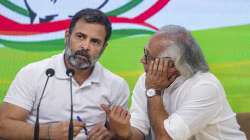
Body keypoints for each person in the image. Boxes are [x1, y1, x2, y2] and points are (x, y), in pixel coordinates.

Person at [0, 8, 130, 140]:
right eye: (80, 36)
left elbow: (119, 133)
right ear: (67, 36)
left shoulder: (117, 85)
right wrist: (49, 132)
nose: (85, 46)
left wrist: (111, 135)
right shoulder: (34, 73)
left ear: (104, 47)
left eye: (95, 41)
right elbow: (3, 126)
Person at [102, 25, 247, 140]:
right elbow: (139, 132)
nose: (142, 60)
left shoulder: (205, 86)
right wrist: (125, 132)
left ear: (173, 65)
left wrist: (154, 91)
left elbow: (165, 138)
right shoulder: (145, 79)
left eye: (148, 57)